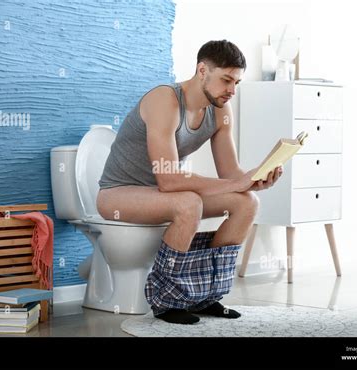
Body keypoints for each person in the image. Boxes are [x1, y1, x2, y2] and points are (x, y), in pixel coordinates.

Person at [97, 40, 282, 324]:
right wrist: (236, 182)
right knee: (188, 203)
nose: (232, 90)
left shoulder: (220, 110)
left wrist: (254, 180)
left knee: (247, 203)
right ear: (202, 70)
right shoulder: (165, 100)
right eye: (226, 80)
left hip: (161, 194)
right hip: (117, 193)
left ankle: (206, 296)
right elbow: (169, 179)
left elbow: (230, 173)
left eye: (237, 82)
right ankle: (166, 299)